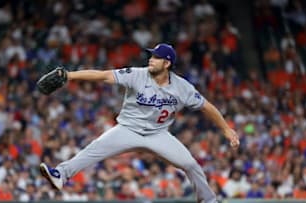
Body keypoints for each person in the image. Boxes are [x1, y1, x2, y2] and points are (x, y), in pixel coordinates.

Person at [39, 43, 240, 203]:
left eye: (156, 57)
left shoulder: (182, 87)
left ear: (167, 63)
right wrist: (70, 75)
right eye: (151, 56)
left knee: (190, 164)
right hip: (128, 129)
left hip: (158, 134)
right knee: (94, 149)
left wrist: (226, 129)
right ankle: (61, 174)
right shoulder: (137, 74)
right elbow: (104, 75)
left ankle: (209, 200)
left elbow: (207, 106)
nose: (150, 60)